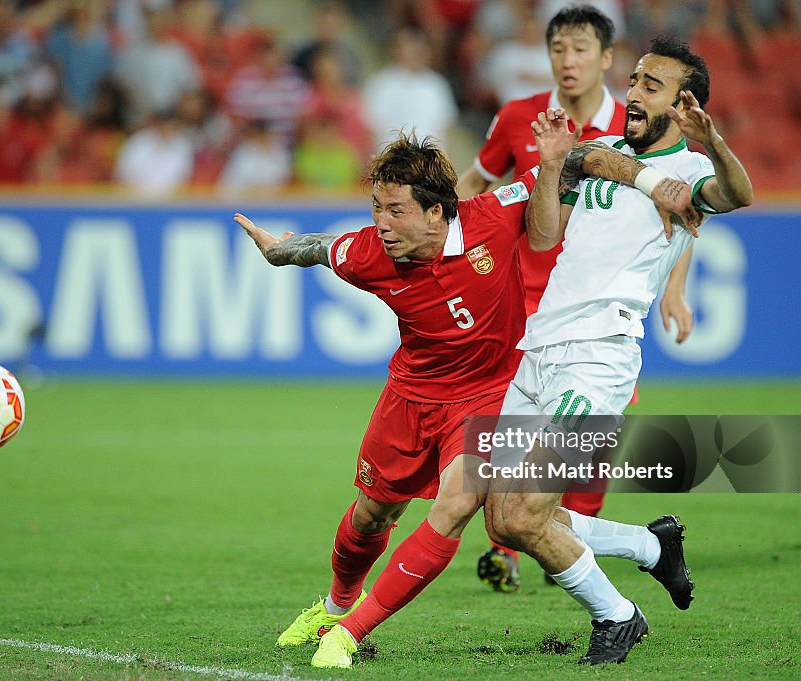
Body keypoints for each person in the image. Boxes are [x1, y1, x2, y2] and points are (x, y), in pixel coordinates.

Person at [235, 130, 700, 669]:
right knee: (373, 515)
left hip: (491, 394)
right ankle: (337, 604)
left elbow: (575, 160)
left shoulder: (492, 216)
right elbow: (318, 247)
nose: (381, 224)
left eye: (395, 211)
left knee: (463, 507)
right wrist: (277, 252)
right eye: (376, 209)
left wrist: (649, 180)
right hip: (410, 395)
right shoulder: (367, 252)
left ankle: (350, 633)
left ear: (436, 213)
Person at [484, 36, 753, 665]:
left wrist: (711, 141)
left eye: (650, 86)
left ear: (683, 105)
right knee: (501, 521)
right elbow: (545, 235)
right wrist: (553, 166)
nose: (631, 93)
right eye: (633, 80)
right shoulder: (600, 151)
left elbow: (739, 196)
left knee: (526, 515)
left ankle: (618, 616)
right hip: (540, 347)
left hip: (597, 356)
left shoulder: (691, 175)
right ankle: (651, 547)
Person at [458, 4, 695, 593]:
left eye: (580, 49)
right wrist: (446, 235)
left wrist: (675, 286)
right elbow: (478, 186)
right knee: (505, 465)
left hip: (597, 326)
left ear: (606, 59)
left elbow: (682, 207)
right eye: (558, 50)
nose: (568, 61)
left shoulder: (636, 126)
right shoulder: (519, 117)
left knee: (581, 459)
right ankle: (521, 546)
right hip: (527, 313)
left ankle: (586, 560)